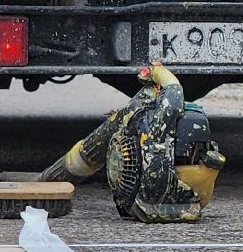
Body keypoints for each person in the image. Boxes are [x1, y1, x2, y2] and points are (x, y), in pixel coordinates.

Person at [40, 62, 226, 222]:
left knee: (112, 130)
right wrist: (159, 74)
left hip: (142, 197)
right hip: (143, 198)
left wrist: (157, 72)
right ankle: (48, 178)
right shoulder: (154, 116)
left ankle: (49, 178)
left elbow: (174, 91)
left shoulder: (154, 114)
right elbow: (173, 91)